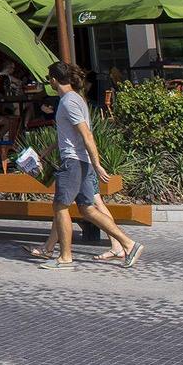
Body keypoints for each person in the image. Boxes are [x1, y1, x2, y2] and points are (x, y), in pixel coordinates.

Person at [38, 62, 144, 270]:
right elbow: (71, 134)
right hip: (81, 160)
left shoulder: (68, 102)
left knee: (60, 207)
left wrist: (98, 165)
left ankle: (65, 257)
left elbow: (86, 135)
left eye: (49, 78)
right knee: (87, 209)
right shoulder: (76, 99)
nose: (49, 81)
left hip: (74, 161)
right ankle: (129, 244)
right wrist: (48, 150)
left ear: (54, 80)